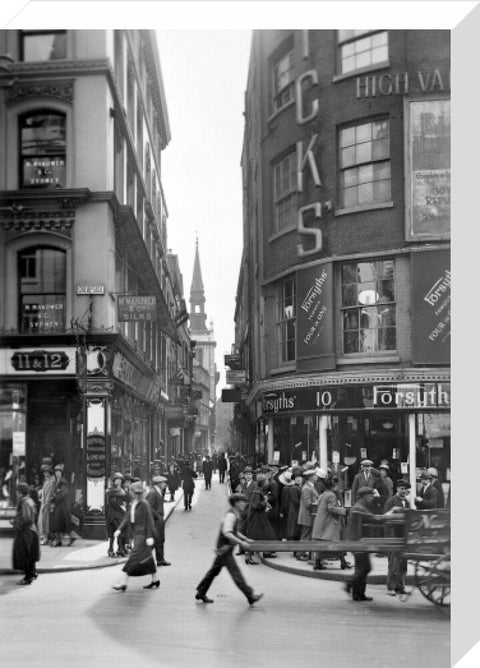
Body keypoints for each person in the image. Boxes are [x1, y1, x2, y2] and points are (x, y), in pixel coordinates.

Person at [195, 493, 264, 606]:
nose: (245, 504)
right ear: (236, 503)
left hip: (225, 548)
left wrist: (246, 539)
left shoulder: (235, 513)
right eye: (243, 501)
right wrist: (241, 543)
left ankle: (201, 592)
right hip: (224, 549)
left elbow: (235, 531)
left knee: (213, 571)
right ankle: (250, 595)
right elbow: (227, 532)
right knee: (235, 572)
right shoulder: (231, 515)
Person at [112, 481, 160, 591]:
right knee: (147, 558)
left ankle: (123, 582)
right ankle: (155, 580)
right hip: (136, 534)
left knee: (133, 558)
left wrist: (149, 536)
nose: (129, 493)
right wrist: (119, 529)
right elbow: (127, 517)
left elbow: (149, 520)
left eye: (131, 491)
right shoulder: (133, 502)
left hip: (142, 536)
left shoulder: (144, 504)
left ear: (135, 493)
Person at [344, 486, 380, 602]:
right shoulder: (359, 508)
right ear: (364, 496)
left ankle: (358, 594)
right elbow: (374, 519)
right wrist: (390, 514)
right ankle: (349, 584)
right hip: (358, 542)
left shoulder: (359, 507)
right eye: (370, 495)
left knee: (361, 568)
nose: (372, 498)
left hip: (359, 541)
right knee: (365, 568)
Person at [311, 475, 348, 570]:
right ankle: (343, 562)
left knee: (321, 544)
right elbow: (332, 508)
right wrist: (344, 511)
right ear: (334, 485)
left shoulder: (323, 494)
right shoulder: (331, 495)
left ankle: (317, 563)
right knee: (335, 543)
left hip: (321, 522)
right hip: (329, 523)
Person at [244, 465, 277, 563]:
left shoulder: (258, 491)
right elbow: (255, 505)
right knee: (264, 535)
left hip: (257, 516)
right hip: (257, 517)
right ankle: (251, 555)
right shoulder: (257, 492)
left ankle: (249, 556)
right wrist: (264, 502)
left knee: (257, 536)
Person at [383, 479, 411, 596]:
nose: (404, 491)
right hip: (393, 535)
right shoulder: (391, 501)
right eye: (402, 489)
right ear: (397, 489)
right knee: (393, 563)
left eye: (405, 489)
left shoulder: (407, 503)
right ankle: (391, 587)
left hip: (403, 536)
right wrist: (392, 512)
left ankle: (400, 586)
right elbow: (384, 517)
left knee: (403, 563)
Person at [11, 482, 40, 585]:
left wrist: (15, 523)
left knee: (24, 554)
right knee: (31, 553)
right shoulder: (29, 500)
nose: (17, 493)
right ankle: (32, 573)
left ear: (20, 492)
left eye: (17, 491)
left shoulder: (24, 502)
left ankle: (28, 577)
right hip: (31, 530)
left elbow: (26, 518)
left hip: (25, 531)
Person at [146, 475, 171, 567]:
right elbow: (149, 506)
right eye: (164, 483)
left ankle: (160, 560)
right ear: (159, 483)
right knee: (155, 541)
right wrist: (157, 516)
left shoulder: (157, 491)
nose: (165, 484)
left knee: (159, 540)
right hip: (155, 520)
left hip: (158, 520)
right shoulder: (153, 493)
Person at [281, 467, 305, 560]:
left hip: (297, 512)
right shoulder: (294, 488)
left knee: (297, 532)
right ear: (294, 479)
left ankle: (297, 552)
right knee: (295, 532)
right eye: (297, 478)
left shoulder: (299, 487)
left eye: (300, 478)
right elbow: (296, 502)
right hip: (295, 512)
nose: (299, 479)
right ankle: (297, 552)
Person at [50, 464, 76, 547]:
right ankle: (63, 539)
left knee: (60, 523)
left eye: (59, 471)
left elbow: (64, 493)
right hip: (60, 505)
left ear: (61, 473)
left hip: (63, 506)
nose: (57, 473)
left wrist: (55, 496)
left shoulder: (63, 481)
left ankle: (62, 540)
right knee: (60, 523)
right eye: (56, 472)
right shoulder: (57, 481)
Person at [105, 473, 127, 557]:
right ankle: (111, 549)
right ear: (114, 481)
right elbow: (113, 502)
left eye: (120, 480)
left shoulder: (121, 489)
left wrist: (124, 504)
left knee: (118, 532)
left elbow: (122, 500)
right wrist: (121, 508)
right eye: (117, 480)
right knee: (114, 532)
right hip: (113, 514)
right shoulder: (112, 490)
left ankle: (119, 549)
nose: (118, 482)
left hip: (119, 514)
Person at [38, 464, 56, 546]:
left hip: (47, 504)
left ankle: (46, 538)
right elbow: (44, 492)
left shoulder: (51, 481)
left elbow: (49, 494)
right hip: (44, 502)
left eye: (46, 472)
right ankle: (45, 537)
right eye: (44, 472)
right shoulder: (47, 480)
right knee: (43, 520)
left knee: (45, 521)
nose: (45, 474)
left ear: (49, 472)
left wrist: (45, 504)